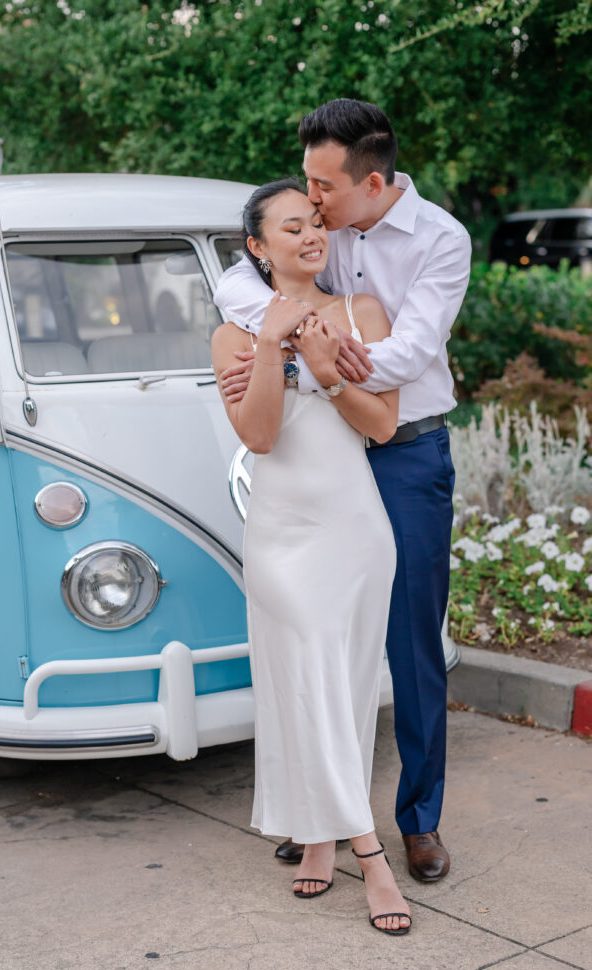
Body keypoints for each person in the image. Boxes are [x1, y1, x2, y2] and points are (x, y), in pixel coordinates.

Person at [215, 99, 472, 883]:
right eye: (304, 184)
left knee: (408, 641)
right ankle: (317, 810)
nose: (311, 199)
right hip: (317, 459)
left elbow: (410, 353)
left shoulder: (439, 240)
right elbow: (239, 287)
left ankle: (417, 820)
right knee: (313, 640)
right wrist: (294, 342)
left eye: (322, 185)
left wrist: (310, 358)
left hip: (404, 451)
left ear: (371, 181)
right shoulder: (309, 232)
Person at [212, 179, 411, 935]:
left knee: (345, 687)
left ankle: (320, 841)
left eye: (314, 223)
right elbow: (259, 436)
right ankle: (371, 857)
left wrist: (326, 373)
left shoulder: (361, 313)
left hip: (356, 530)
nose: (308, 235)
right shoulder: (234, 333)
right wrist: (272, 345)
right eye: (289, 227)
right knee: (308, 678)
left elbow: (382, 425)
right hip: (281, 534)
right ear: (258, 249)